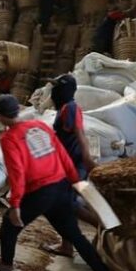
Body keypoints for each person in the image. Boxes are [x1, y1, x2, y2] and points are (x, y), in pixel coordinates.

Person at [0, 94, 118, 271]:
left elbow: (16, 172)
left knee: (9, 225)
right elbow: (62, 154)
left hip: (39, 191)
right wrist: (74, 180)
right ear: (18, 110)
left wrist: (15, 204)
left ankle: (6, 264)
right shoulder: (40, 126)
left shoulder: (9, 139)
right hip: (60, 186)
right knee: (75, 235)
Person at [41, 74, 99, 258]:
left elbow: (80, 134)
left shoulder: (71, 108)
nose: (53, 92)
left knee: (67, 204)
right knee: (66, 203)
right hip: (67, 163)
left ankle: (103, 225)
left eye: (56, 88)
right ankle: (67, 246)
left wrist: (88, 159)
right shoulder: (65, 108)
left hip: (75, 164)